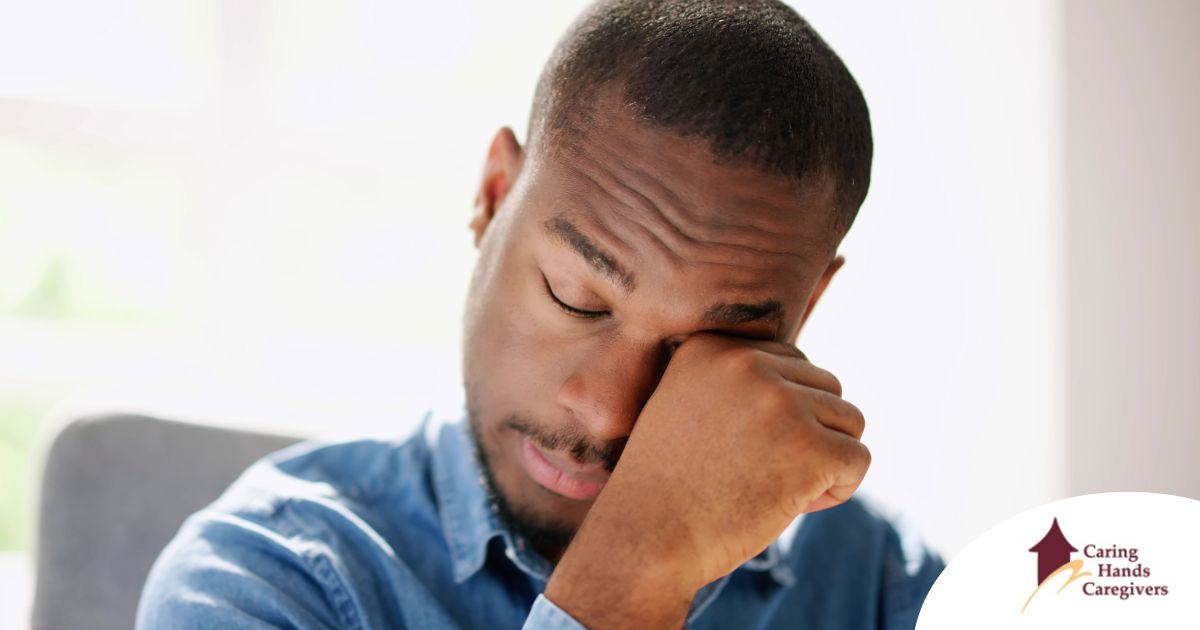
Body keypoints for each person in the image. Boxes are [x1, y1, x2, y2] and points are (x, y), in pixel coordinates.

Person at [137, 0, 944, 628]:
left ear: (804, 311)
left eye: (710, 343)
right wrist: (639, 567)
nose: (609, 411)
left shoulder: (885, 586)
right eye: (576, 298)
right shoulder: (265, 581)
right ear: (493, 197)